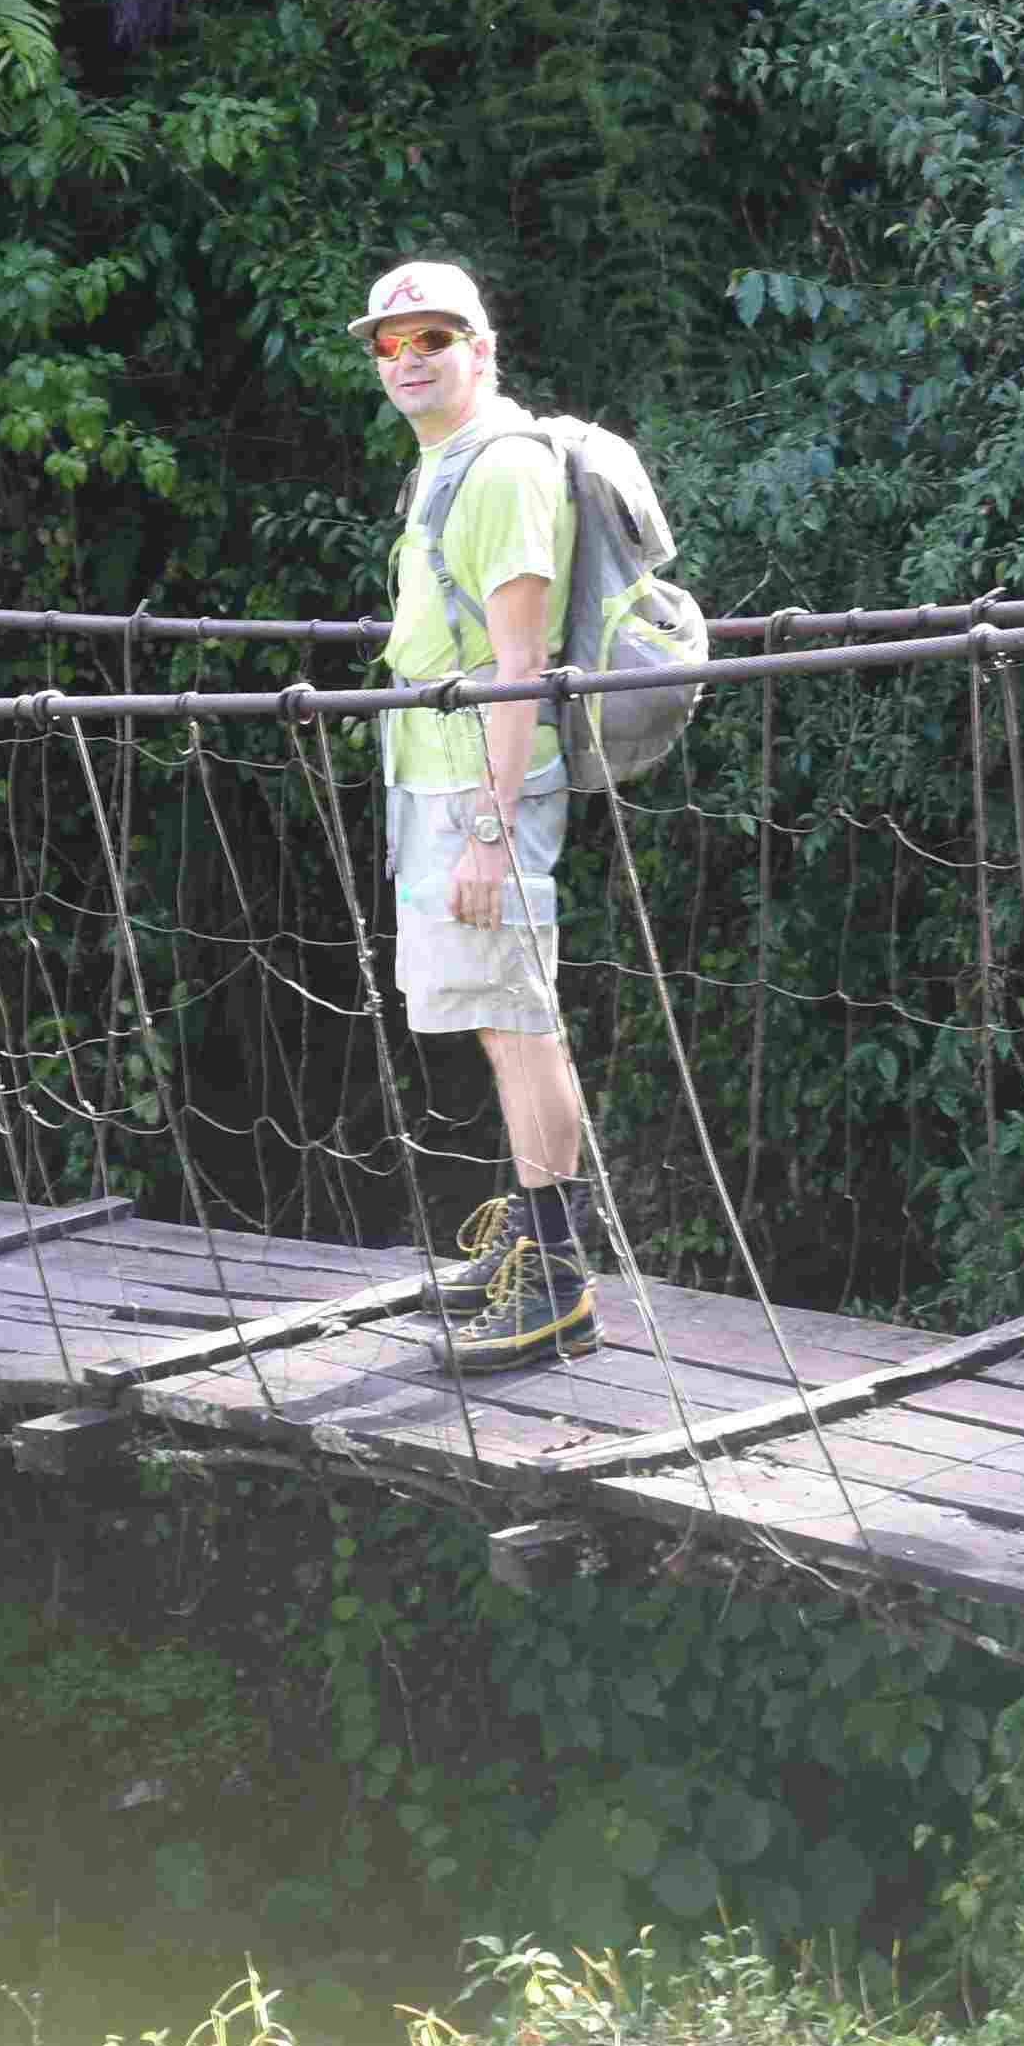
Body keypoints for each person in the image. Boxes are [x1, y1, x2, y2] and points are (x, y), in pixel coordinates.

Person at [360, 257, 606, 1364]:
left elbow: (520, 663)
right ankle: (533, 1235)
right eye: (390, 342)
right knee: (497, 1018)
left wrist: (491, 833)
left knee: (518, 1018)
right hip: (439, 777)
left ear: (483, 349)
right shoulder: (445, 464)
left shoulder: (502, 467)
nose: (409, 358)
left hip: (480, 787)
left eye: (435, 338)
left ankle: (555, 1278)